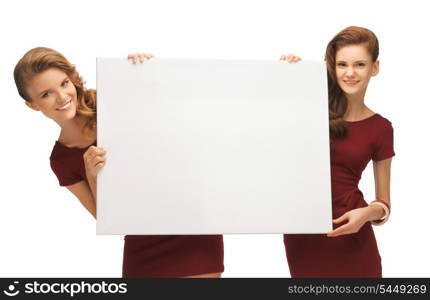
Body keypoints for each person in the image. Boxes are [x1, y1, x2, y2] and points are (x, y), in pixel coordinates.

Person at [13, 48, 224, 278]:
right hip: (141, 245)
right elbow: (109, 221)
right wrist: (92, 175)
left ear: (72, 80)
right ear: (33, 105)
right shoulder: (61, 160)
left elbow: (175, 119)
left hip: (190, 227)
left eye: (64, 83)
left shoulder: (112, 102)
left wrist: (147, 74)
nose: (62, 97)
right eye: (46, 94)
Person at [280, 26, 394, 277]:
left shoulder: (381, 128)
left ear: (375, 67)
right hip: (305, 236)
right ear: (332, 68)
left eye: (360, 64)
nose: (350, 73)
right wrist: (288, 77)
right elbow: (270, 126)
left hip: (355, 239)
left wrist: (366, 214)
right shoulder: (309, 110)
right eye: (342, 64)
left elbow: (384, 203)